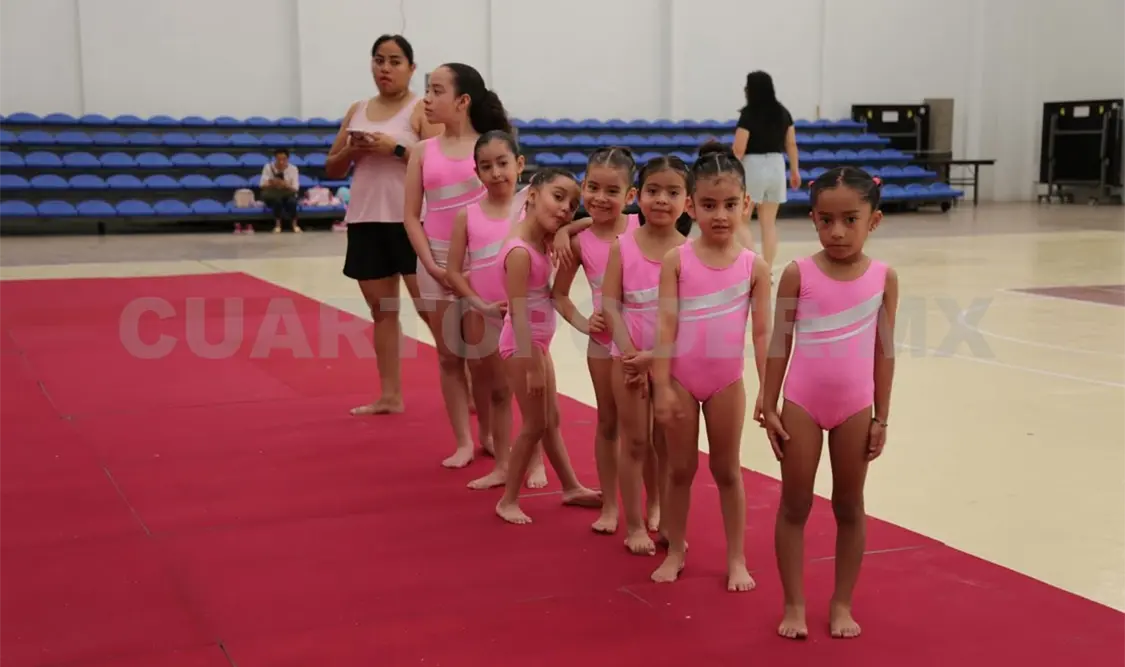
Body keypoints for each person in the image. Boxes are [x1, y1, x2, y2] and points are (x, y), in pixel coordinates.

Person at [760, 167, 898, 640]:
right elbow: (779, 341)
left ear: (873, 221)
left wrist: (882, 415)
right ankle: (794, 603)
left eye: (850, 220)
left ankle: (841, 602)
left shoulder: (883, 277)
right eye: (825, 220)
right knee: (795, 503)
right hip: (801, 402)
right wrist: (769, 400)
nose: (836, 232)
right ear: (814, 219)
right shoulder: (799, 273)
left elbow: (884, 350)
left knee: (849, 505)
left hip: (855, 408)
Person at [650, 141, 772, 591]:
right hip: (681, 379)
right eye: (707, 205)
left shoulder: (753, 267)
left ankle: (736, 557)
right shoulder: (676, 260)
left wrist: (767, 388)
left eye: (728, 205)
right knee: (680, 470)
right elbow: (665, 326)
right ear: (690, 207)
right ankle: (677, 548)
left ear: (746, 205)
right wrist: (662, 386)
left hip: (727, 382)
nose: (719, 215)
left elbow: (762, 333)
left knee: (727, 471)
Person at [403, 62, 509, 469]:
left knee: (484, 357)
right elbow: (412, 215)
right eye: (427, 90)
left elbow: (504, 208)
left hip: (481, 263)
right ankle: (463, 440)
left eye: (436, 90)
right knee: (449, 356)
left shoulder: (488, 149)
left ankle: (487, 433)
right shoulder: (421, 152)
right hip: (435, 261)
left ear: (463, 101)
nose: (427, 98)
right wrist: (430, 264)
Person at [327, 34, 437, 417]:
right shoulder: (357, 108)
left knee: (432, 310)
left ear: (411, 67)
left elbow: (439, 166)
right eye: (378, 60)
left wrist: (397, 149)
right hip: (366, 218)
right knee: (382, 311)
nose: (385, 68)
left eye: (394, 61)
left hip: (412, 221)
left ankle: (469, 387)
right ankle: (390, 395)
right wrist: (351, 150)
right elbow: (332, 166)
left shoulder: (422, 109)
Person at [446, 130, 557, 491]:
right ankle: (503, 464)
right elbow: (452, 271)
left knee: (531, 393)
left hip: (526, 316)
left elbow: (561, 232)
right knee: (496, 391)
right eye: (486, 166)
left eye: (503, 163)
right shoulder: (467, 215)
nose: (496, 173)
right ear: (476, 172)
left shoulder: (532, 208)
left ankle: (536, 461)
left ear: (520, 164)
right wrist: (478, 303)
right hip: (486, 314)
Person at [493, 168, 601, 524]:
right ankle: (508, 499)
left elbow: (598, 219)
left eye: (572, 206)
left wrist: (568, 229)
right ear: (533, 194)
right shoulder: (520, 252)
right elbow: (519, 313)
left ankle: (570, 486)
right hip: (522, 346)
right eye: (558, 197)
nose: (565, 209)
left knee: (551, 420)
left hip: (537, 344)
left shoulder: (541, 240)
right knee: (535, 425)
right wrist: (533, 364)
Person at [551, 146, 650, 535]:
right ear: (582, 185)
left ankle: (651, 503)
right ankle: (611, 504)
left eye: (612, 191)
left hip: (642, 344)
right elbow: (557, 293)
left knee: (645, 430)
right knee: (608, 423)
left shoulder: (642, 230)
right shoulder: (579, 242)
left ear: (630, 196)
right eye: (593, 187)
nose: (600, 198)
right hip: (603, 344)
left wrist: (567, 226)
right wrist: (581, 322)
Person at [600, 155, 691, 554]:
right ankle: (634, 524)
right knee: (635, 441)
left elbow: (690, 319)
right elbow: (609, 302)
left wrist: (655, 356)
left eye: (672, 193)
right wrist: (631, 353)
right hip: (629, 358)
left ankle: (667, 517)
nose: (661, 200)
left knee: (667, 444)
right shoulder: (624, 246)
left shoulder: (690, 252)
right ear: (639, 196)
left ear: (687, 202)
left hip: (670, 361)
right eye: (653, 191)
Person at [731, 70, 800, 270]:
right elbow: (792, 144)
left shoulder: (749, 113)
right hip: (777, 165)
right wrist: (795, 170)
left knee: (740, 220)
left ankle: (754, 263)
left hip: (753, 166)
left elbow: (739, 149)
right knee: (768, 223)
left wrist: (729, 169)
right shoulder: (783, 112)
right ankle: (767, 269)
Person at [251, 148, 302, 234]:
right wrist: (273, 183)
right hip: (272, 194)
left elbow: (295, 188)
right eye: (279, 159)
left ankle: (295, 225)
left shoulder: (293, 169)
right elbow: (262, 185)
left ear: (288, 159)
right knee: (277, 201)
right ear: (275, 158)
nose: (281, 162)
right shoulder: (268, 167)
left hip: (287, 193)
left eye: (284, 159)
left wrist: (285, 185)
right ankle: (278, 225)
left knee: (292, 202)